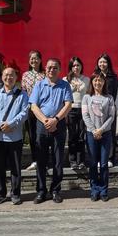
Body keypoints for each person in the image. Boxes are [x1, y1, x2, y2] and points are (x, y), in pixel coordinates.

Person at [29, 58, 73, 204]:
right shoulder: (39, 85)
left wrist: (56, 119)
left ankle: (55, 190)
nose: (51, 70)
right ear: (45, 69)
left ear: (59, 70)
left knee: (58, 160)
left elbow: (68, 105)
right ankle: (41, 191)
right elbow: (33, 106)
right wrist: (46, 121)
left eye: (55, 67)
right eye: (49, 67)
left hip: (59, 125)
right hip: (42, 125)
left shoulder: (65, 85)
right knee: (41, 160)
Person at [0, 67, 30, 205]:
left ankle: (15, 194)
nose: (8, 78)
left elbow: (24, 113)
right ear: (2, 77)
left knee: (15, 168)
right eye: (6, 75)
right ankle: (0, 194)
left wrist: (11, 124)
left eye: (11, 75)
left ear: (16, 77)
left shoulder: (22, 95)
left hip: (15, 137)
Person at [82, 72, 115, 202]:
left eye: (100, 80)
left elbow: (111, 116)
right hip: (91, 134)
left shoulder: (109, 98)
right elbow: (85, 116)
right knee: (92, 163)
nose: (98, 82)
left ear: (104, 82)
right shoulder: (86, 97)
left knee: (104, 164)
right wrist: (93, 130)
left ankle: (104, 190)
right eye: (95, 80)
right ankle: (94, 190)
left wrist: (101, 130)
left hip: (105, 134)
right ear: (92, 82)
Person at [63, 57, 90, 170]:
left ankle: (81, 161)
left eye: (78, 65)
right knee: (72, 135)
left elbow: (88, 94)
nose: (76, 67)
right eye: (74, 65)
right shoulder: (66, 80)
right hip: (71, 109)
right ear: (71, 67)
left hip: (83, 109)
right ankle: (72, 161)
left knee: (81, 135)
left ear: (81, 66)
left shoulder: (86, 79)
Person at [21, 50, 45, 170]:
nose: (33, 60)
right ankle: (35, 160)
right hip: (30, 108)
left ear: (40, 60)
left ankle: (43, 161)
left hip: (42, 109)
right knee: (32, 135)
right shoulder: (25, 75)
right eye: (31, 58)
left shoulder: (44, 75)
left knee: (41, 135)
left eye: (36, 58)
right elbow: (23, 91)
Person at [94, 53, 118, 167]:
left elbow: (113, 94)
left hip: (109, 108)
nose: (102, 64)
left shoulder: (113, 77)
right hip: (96, 108)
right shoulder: (95, 76)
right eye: (100, 62)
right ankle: (99, 158)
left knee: (110, 133)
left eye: (104, 62)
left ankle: (110, 158)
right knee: (98, 132)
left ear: (108, 63)